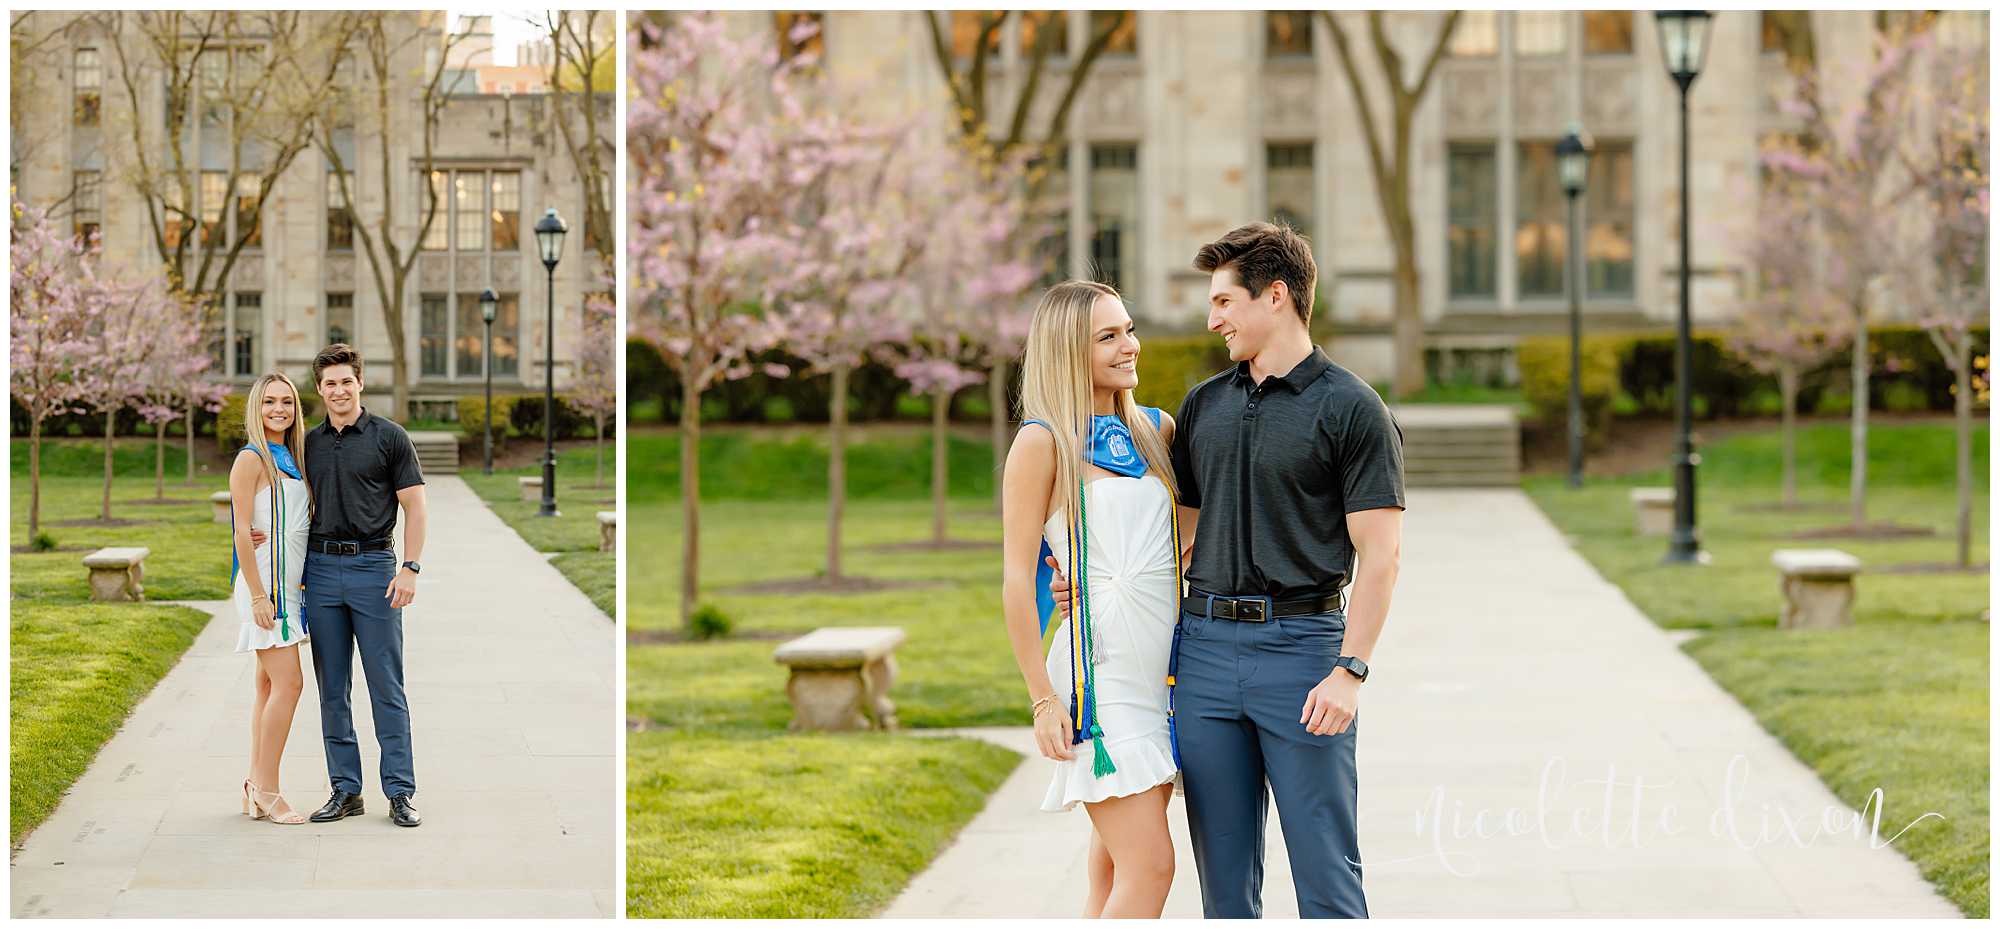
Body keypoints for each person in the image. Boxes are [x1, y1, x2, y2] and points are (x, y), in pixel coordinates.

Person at [1050, 222, 1406, 917]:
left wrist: (1350, 669)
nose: (1211, 319)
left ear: (1275, 296)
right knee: (1225, 889)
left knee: (1327, 875)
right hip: (1206, 658)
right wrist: (1086, 584)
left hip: (1303, 656)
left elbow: (1383, 557)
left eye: (1223, 301)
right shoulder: (1204, 406)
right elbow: (1168, 541)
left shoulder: (1353, 409)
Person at [1002, 280, 1186, 918]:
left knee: (1111, 871)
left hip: (1162, 670)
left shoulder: (1156, 428)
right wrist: (1041, 699)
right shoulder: (1041, 442)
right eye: (1108, 336)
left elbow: (1181, 537)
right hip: (1097, 680)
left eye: (1129, 329)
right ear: (1065, 350)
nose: (1130, 345)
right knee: (1152, 867)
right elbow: (1016, 577)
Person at [297, 343, 430, 828]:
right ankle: (345, 790)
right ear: (319, 389)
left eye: (345, 381)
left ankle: (399, 792)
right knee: (333, 689)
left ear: (360, 383)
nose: (338, 390)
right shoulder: (306, 443)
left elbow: (415, 506)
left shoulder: (390, 438)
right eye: (329, 383)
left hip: (375, 569)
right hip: (321, 572)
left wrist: (410, 568)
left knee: (385, 686)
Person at [229, 373, 315, 825]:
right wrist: (259, 595)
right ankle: (268, 789)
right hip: (266, 588)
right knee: (290, 684)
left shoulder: (296, 457)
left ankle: (253, 782)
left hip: (291, 584)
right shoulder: (251, 459)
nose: (278, 409)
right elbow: (241, 530)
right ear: (256, 409)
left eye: (286, 402)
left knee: (266, 686)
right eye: (269, 402)